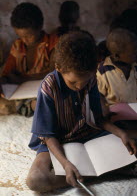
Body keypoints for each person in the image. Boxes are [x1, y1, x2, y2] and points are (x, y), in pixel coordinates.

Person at [26, 31, 137, 193]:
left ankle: (91, 172)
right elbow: (48, 136)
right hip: (55, 140)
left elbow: (99, 119)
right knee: (36, 180)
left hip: (86, 131)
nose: (79, 86)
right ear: (59, 68)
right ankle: (111, 170)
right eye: (73, 82)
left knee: (131, 142)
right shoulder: (48, 87)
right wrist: (65, 164)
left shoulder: (89, 79)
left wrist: (121, 134)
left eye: (84, 81)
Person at [0, 2, 50, 116]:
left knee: (48, 99)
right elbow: (7, 74)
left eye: (29, 36)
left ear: (40, 27)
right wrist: (3, 81)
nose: (25, 40)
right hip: (20, 94)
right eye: (20, 36)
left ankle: (33, 106)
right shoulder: (17, 46)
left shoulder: (51, 44)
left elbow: (55, 73)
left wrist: (24, 79)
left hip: (42, 91)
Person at [49, 0, 80, 70]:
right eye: (65, 22)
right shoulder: (52, 37)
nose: (69, 27)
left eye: (72, 23)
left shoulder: (83, 37)